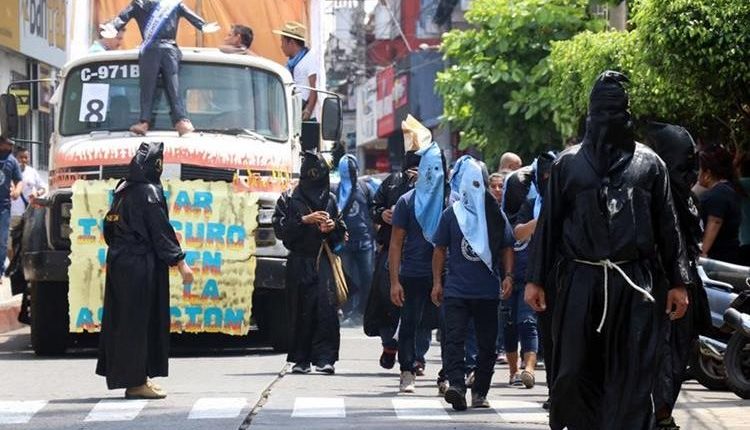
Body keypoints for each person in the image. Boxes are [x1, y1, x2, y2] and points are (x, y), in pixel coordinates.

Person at [525, 71, 691, 430]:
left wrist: (678, 282)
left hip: (634, 284)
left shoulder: (649, 165)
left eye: (616, 111)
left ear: (627, 115)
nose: (608, 120)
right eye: (602, 111)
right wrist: (534, 280)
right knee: (572, 371)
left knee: (632, 372)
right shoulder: (567, 164)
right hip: (579, 282)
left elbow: (668, 227)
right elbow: (549, 226)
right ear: (590, 114)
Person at [96, 142, 193, 399]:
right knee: (138, 324)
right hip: (140, 266)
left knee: (127, 322)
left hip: (121, 264)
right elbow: (160, 231)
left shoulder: (123, 189)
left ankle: (140, 378)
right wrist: (181, 263)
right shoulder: (149, 192)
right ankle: (136, 383)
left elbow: (108, 228)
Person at [432, 158, 515, 410]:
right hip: (456, 291)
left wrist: (509, 275)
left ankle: (480, 391)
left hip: (488, 293)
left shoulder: (495, 215)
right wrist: (437, 282)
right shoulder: (451, 214)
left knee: (487, 345)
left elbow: (507, 246)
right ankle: (457, 385)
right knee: (453, 341)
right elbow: (439, 249)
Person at [646, 122, 712, 430]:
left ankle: (661, 412)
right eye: (684, 159)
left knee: (677, 352)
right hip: (657, 288)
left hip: (685, 286)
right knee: (660, 353)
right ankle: (657, 414)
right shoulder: (649, 195)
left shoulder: (687, 197)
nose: (692, 168)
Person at [103, 1, 219, 136]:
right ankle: (148, 122)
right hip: (155, 49)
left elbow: (190, 15)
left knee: (170, 85)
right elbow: (123, 18)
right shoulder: (141, 3)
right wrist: (113, 27)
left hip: (160, 49)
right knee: (151, 86)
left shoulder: (168, 4)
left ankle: (178, 120)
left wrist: (203, 25)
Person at [280, 151, 347, 375]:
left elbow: (342, 232)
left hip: (323, 260)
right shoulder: (289, 198)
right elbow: (281, 230)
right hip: (299, 261)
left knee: (326, 310)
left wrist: (331, 228)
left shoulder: (331, 200)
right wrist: (303, 221)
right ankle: (301, 359)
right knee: (300, 310)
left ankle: (326, 358)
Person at [390, 141, 445, 393]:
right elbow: (395, 244)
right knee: (409, 323)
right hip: (412, 272)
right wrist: (394, 281)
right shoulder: (406, 201)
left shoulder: (450, 201)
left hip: (445, 276)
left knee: (449, 326)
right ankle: (407, 370)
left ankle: (449, 374)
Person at [363, 149, 424, 370]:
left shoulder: (433, 186)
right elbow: (373, 206)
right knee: (388, 302)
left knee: (420, 309)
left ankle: (417, 357)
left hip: (421, 254)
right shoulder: (391, 182)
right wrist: (383, 214)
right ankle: (389, 345)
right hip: (391, 249)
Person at [506, 153, 555, 390]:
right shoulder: (530, 205)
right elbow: (518, 233)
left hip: (563, 276)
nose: (548, 179)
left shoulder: (570, 200)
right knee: (527, 324)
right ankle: (527, 373)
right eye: (543, 176)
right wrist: (542, 219)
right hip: (530, 275)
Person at [335, 154, 375, 324]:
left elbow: (374, 213)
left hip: (365, 243)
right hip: (344, 244)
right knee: (347, 280)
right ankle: (349, 311)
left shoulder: (365, 189)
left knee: (367, 279)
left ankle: (363, 312)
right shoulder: (336, 191)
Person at [697, 145, 743, 264]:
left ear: (707, 172)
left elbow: (715, 221)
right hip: (728, 255)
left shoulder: (718, 194)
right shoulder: (727, 189)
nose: (697, 173)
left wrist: (703, 252)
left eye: (699, 169)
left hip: (718, 259)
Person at [275, 22, 317, 120]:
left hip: (304, 115)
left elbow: (314, 89)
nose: (281, 46)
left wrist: (308, 111)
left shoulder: (309, 59)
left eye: (283, 42)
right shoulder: (291, 63)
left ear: (291, 43)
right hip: (292, 111)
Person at [0, 136, 23, 274]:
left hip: (4, 207)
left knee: (2, 240)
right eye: (8, 143)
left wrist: (17, 191)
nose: (11, 146)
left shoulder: (12, 161)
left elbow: (19, 180)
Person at [9, 147, 45, 230]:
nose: (24, 160)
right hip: (13, 214)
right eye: (21, 157)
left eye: (26, 157)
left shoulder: (32, 172)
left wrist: (37, 193)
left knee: (27, 241)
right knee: (10, 240)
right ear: (15, 158)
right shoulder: (8, 172)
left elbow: (43, 188)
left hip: (29, 213)